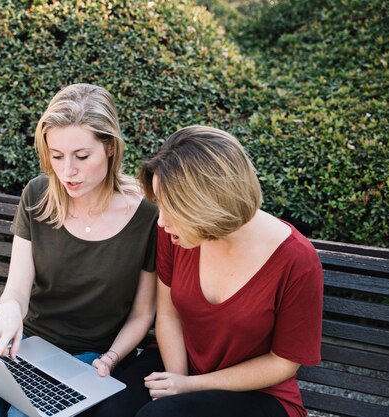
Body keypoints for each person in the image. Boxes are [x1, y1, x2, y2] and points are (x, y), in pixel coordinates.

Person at [0, 83, 158, 417]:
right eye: (57, 156)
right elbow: (16, 290)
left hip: (92, 356)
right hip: (25, 344)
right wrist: (8, 313)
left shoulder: (146, 214)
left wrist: (112, 358)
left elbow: (142, 314)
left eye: (82, 156)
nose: (67, 172)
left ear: (109, 148)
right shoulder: (37, 194)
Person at [134, 126, 324, 417]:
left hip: (259, 395)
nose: (161, 222)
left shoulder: (297, 261)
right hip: (180, 365)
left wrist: (190, 387)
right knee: (110, 406)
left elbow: (282, 363)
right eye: (161, 204)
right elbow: (168, 314)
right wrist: (178, 384)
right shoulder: (177, 234)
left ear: (207, 206)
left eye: (173, 208)